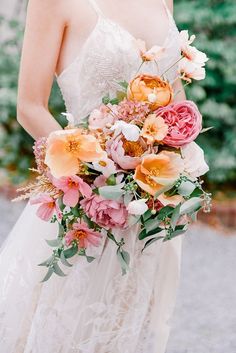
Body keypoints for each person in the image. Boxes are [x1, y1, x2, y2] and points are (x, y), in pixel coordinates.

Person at [0, 0, 185, 352]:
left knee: (124, 328)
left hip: (147, 208)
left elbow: (173, 95)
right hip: (84, 206)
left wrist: (176, 166)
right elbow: (30, 106)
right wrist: (92, 175)